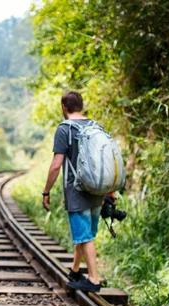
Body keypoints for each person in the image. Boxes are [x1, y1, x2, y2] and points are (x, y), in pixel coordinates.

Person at [42, 91, 114, 292]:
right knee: (86, 233)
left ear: (64, 107)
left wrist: (46, 191)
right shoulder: (96, 126)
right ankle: (75, 270)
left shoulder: (64, 129)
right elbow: (107, 161)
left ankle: (93, 279)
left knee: (84, 237)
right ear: (81, 106)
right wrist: (110, 192)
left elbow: (56, 165)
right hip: (97, 189)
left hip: (76, 190)